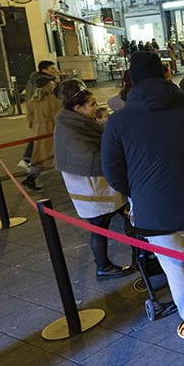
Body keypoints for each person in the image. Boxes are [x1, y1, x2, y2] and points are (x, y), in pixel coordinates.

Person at [101, 51, 184, 345]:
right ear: (166, 74)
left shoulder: (119, 122)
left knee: (174, 267)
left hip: (152, 209)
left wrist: (135, 191)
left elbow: (112, 171)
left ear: (131, 80)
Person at [54, 80, 134, 279]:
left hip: (95, 185)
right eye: (91, 104)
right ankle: (103, 266)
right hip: (90, 187)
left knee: (117, 217)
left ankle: (133, 256)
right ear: (78, 108)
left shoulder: (75, 121)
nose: (96, 107)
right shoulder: (71, 129)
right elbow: (89, 157)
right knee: (99, 225)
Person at [18, 60, 59, 169]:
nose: (54, 71)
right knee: (43, 147)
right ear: (44, 70)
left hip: (39, 122)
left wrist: (32, 121)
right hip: (46, 123)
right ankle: (32, 169)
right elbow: (57, 110)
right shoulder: (41, 85)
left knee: (39, 144)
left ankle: (28, 160)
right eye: (52, 68)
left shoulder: (40, 87)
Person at [21, 74, 59, 191]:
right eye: (50, 83)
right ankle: (31, 177)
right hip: (49, 128)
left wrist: (36, 125)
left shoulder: (33, 100)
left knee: (41, 153)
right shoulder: (51, 99)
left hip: (39, 129)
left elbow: (29, 117)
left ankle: (31, 177)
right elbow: (57, 114)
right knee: (48, 154)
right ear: (47, 86)